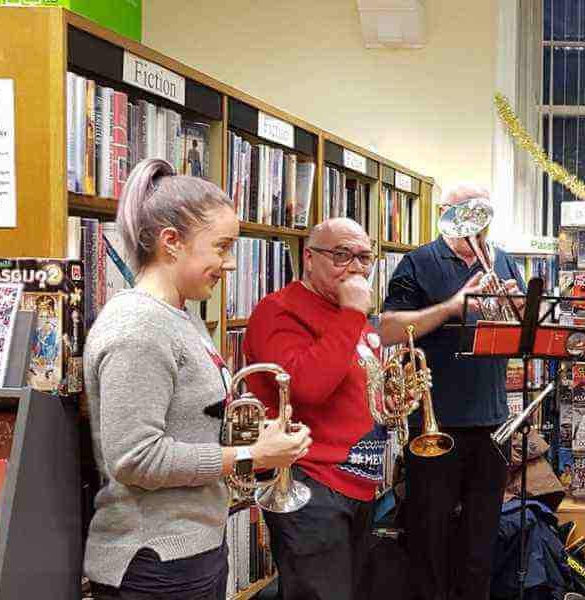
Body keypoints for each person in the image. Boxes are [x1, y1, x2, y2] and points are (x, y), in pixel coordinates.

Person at [83, 158, 310, 600]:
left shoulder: (181, 314)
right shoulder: (138, 327)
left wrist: (257, 435)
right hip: (153, 562)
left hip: (189, 551)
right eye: (221, 247)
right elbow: (134, 459)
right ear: (172, 242)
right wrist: (250, 453)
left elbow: (189, 423)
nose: (229, 265)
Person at [378, 183, 526, 600]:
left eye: (484, 212)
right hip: (436, 422)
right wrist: (452, 307)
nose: (476, 224)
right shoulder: (418, 262)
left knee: (481, 541)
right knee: (431, 539)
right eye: (466, 212)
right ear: (444, 213)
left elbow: (518, 340)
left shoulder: (505, 262)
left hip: (493, 421)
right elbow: (388, 329)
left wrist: (517, 314)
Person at [242, 217, 391, 600]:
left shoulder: (345, 310)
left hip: (358, 482)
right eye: (342, 255)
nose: (356, 267)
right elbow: (307, 388)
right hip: (311, 482)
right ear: (309, 258)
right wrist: (354, 314)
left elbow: (351, 378)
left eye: (364, 257)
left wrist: (385, 399)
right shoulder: (278, 311)